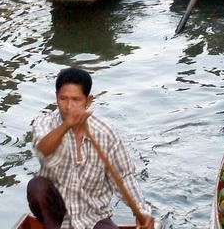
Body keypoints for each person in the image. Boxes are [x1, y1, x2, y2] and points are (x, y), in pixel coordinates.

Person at [27, 67, 153, 229]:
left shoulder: (106, 133)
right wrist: (66, 126)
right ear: (56, 98)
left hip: (92, 216)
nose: (68, 106)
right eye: (63, 99)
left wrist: (141, 211)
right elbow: (42, 150)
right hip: (57, 212)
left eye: (76, 100)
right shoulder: (44, 123)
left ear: (88, 101)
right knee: (37, 187)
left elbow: (125, 177)